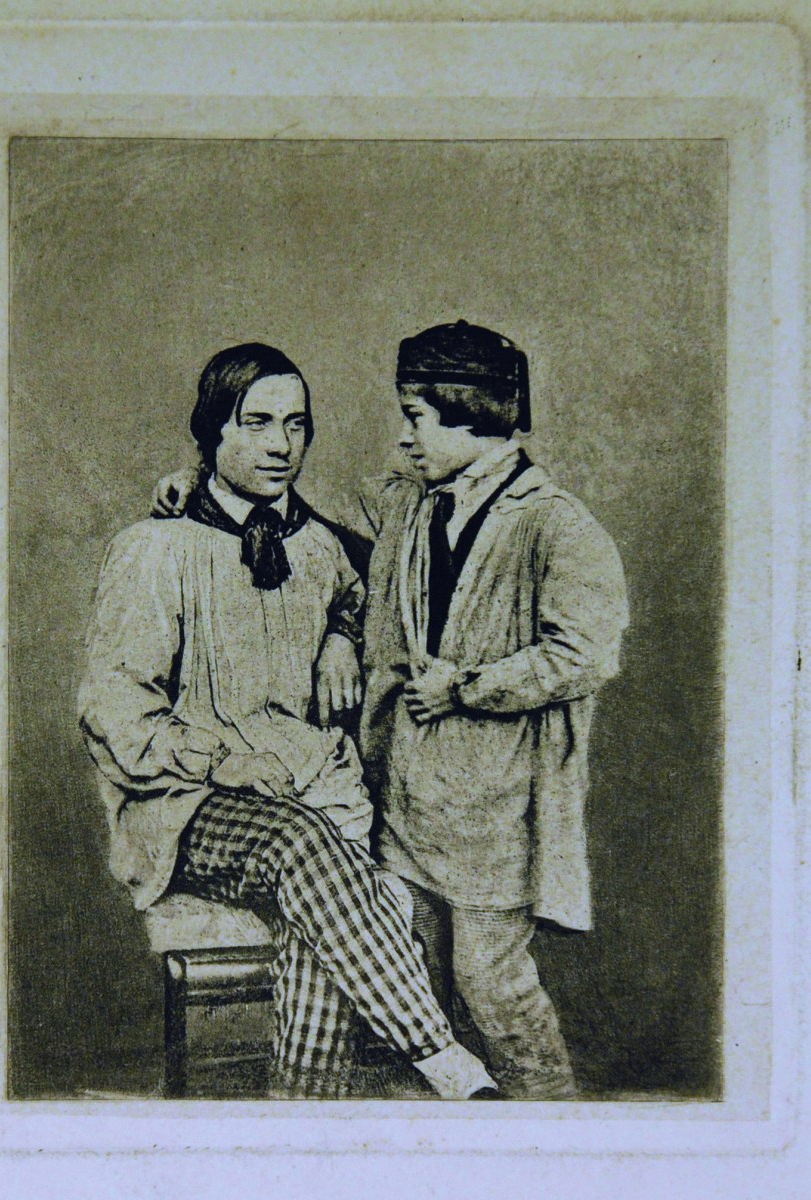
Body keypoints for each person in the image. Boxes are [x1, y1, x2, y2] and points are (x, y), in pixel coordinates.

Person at [152, 321, 629, 1100]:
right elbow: (285, 492)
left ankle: (553, 1134)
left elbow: (585, 653)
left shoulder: (557, 525)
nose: (404, 436)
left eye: (416, 417)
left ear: (469, 416)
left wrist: (468, 686)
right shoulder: (406, 500)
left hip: (494, 816)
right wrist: (197, 476)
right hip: (403, 805)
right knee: (410, 974)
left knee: (494, 990)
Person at [79, 341, 497, 1101]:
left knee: (321, 901)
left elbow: (372, 591)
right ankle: (444, 1058)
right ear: (214, 429)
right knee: (313, 851)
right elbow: (113, 707)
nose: (282, 445)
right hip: (190, 805)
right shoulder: (154, 549)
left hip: (313, 791)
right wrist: (222, 762)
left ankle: (304, 1107)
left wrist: (341, 633)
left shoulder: (321, 545)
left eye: (296, 424)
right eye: (258, 422)